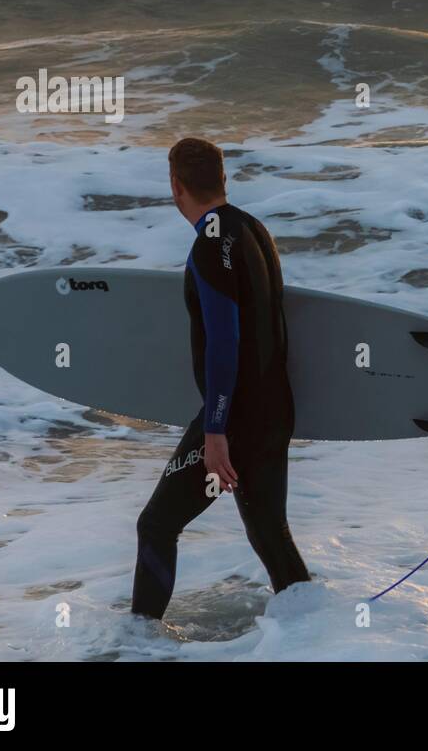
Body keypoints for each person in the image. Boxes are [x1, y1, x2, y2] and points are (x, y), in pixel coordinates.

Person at [131, 138, 310, 619]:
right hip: (275, 409)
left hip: (236, 420)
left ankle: (137, 645)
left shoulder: (210, 243)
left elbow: (226, 341)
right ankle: (318, 634)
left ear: (176, 186)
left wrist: (215, 431)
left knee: (156, 525)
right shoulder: (252, 227)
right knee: (270, 535)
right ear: (223, 179)